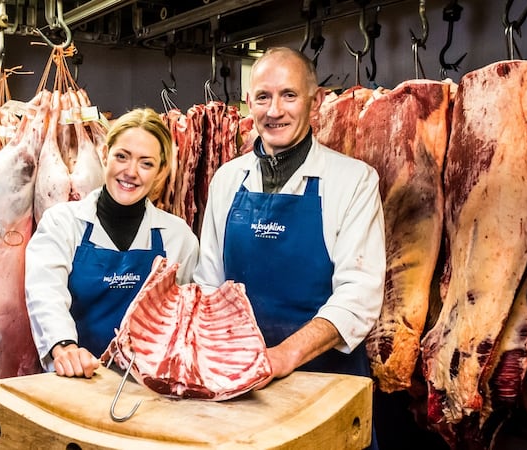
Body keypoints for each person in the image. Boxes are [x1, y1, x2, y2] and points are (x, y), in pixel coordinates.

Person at [194, 47, 385, 384]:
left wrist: (283, 356)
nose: (274, 110)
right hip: (239, 376)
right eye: (263, 97)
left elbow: (358, 297)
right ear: (249, 102)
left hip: (328, 381)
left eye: (289, 95)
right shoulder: (227, 179)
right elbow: (209, 284)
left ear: (316, 101)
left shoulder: (354, 180)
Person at [26, 107, 199, 379]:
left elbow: (187, 315)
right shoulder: (62, 223)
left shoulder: (178, 236)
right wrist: (64, 346)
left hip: (150, 385)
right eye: (122, 156)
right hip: (75, 379)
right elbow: (45, 293)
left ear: (161, 170)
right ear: (105, 154)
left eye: (146, 163)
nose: (131, 172)